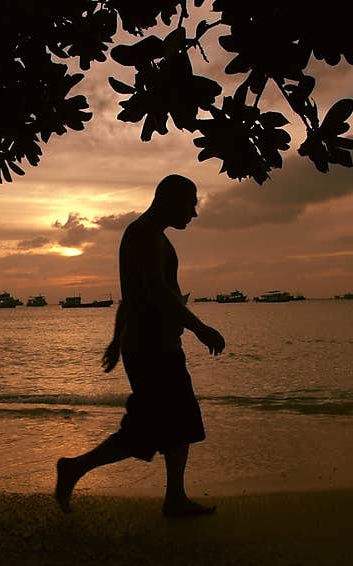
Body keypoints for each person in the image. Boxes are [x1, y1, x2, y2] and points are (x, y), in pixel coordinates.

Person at [55, 174, 225, 518]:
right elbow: (154, 292)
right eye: (191, 203)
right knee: (146, 430)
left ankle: (175, 497)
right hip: (152, 349)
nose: (194, 213)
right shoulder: (144, 235)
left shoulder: (153, 236)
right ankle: (74, 468)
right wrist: (200, 328)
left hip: (158, 345)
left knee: (181, 422)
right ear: (170, 199)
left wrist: (117, 341)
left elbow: (130, 298)